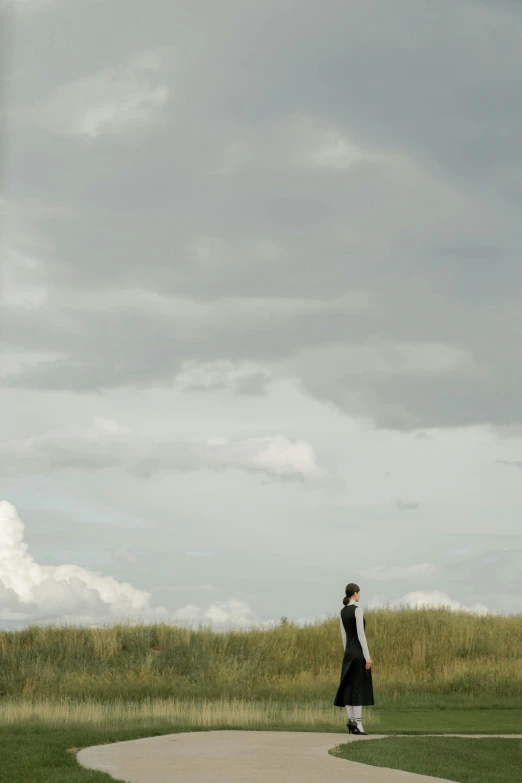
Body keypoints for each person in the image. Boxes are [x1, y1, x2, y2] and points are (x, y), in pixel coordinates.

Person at [333, 582, 374, 734]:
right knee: (357, 689)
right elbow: (361, 634)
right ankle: (358, 725)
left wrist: (347, 653)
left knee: (348, 688)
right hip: (358, 654)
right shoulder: (358, 610)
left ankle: (351, 722)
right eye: (359, 593)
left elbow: (344, 636)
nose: (359, 595)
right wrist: (367, 656)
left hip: (348, 654)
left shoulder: (342, 612)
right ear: (355, 593)